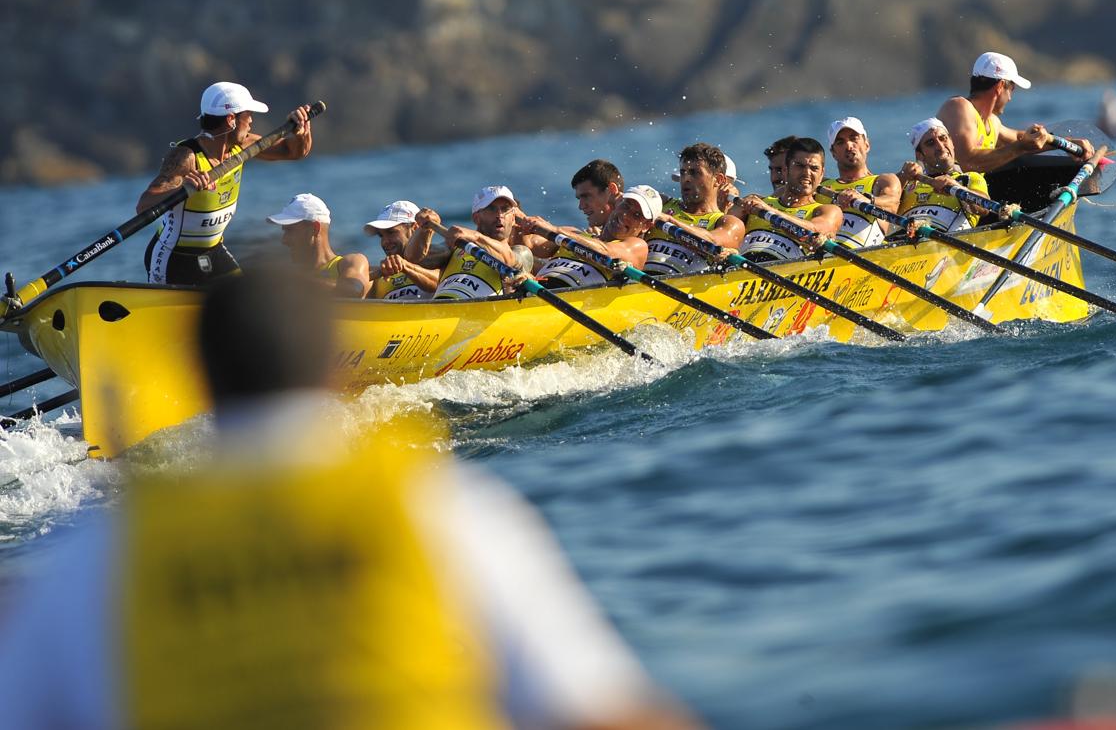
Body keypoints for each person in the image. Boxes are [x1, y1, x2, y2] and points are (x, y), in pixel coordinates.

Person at [0, 270, 698, 729]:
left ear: (200, 377)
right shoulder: (443, 507)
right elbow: (608, 714)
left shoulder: (96, 551)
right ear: (334, 372)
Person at [138, 81, 314, 286]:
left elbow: (294, 152)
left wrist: (301, 132)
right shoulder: (186, 157)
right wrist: (182, 188)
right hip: (173, 258)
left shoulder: (243, 145)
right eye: (248, 115)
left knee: (243, 305)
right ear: (231, 119)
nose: (251, 122)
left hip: (214, 252)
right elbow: (144, 205)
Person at [934, 52, 1094, 174]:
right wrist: (1020, 148)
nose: (1010, 98)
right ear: (1000, 87)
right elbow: (967, 162)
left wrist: (1067, 144)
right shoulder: (958, 107)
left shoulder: (992, 122)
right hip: (937, 201)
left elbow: (1021, 139)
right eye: (1011, 90)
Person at [406, 186, 540, 300]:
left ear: (513, 219)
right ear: (476, 218)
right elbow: (414, 258)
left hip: (480, 318)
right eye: (491, 209)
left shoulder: (521, 252)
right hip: (440, 309)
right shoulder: (453, 248)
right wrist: (423, 231)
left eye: (505, 209)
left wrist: (475, 237)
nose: (499, 215)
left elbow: (508, 260)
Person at [731, 137, 843, 263]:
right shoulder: (753, 203)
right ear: (785, 170)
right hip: (741, 271)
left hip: (786, 275)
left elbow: (815, 231)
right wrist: (721, 201)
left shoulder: (828, 210)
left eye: (814, 168)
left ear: (822, 174)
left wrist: (770, 210)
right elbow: (721, 230)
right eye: (800, 166)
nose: (807, 173)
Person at [524, 185, 660, 289]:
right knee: (519, 253)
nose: (625, 215)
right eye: (626, 206)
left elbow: (606, 252)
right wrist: (512, 214)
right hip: (536, 290)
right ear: (618, 203)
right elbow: (530, 244)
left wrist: (554, 229)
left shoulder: (637, 246)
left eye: (636, 215)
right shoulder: (576, 233)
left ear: (646, 226)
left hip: (571, 306)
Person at [646, 143, 746, 276]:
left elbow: (714, 242)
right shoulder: (661, 202)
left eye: (695, 173)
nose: (686, 179)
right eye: (683, 172)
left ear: (718, 179)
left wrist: (672, 221)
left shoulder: (729, 223)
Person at [893, 118, 994, 234]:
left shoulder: (969, 178)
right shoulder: (907, 183)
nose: (940, 146)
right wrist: (900, 178)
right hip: (900, 241)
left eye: (943, 138)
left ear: (952, 143)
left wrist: (957, 187)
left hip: (945, 244)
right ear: (920, 155)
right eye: (931, 143)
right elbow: (883, 206)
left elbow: (984, 208)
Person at [818, 116, 902, 249]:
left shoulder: (882, 181)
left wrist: (866, 200)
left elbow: (892, 202)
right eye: (840, 142)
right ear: (833, 153)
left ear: (867, 144)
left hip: (864, 260)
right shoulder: (821, 185)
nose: (849, 145)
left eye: (854, 138)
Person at [267, 193, 371, 297]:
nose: (284, 240)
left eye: (290, 231)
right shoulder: (290, 272)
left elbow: (354, 290)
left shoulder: (352, 262)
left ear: (315, 229)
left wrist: (297, 281)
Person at [363, 200, 439, 301]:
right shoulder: (379, 276)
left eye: (391, 232)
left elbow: (441, 282)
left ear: (415, 228)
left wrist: (405, 266)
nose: (385, 242)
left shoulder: (440, 260)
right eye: (381, 235)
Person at [571, 159, 625, 233]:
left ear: (611, 190)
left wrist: (555, 230)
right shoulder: (596, 235)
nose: (581, 206)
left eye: (586, 196)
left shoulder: (636, 237)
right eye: (579, 198)